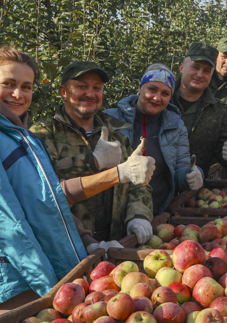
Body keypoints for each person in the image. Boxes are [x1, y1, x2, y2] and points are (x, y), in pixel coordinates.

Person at [0, 46, 155, 315]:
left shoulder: (17, 134)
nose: (18, 94)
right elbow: (2, 222)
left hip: (54, 265)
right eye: (8, 84)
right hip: (14, 275)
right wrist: (50, 284)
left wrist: (85, 242)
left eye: (26, 86)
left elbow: (47, 198)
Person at [32, 61, 155, 247]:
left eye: (96, 88)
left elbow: (137, 183)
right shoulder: (43, 133)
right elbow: (45, 186)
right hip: (67, 245)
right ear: (63, 91)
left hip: (116, 242)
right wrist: (93, 162)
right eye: (82, 87)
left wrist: (139, 216)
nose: (90, 94)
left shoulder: (115, 134)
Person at [106, 64, 203, 216]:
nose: (157, 98)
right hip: (112, 212)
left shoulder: (176, 127)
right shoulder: (110, 119)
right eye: (152, 89)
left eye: (165, 93)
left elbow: (180, 169)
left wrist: (191, 175)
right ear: (140, 88)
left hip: (155, 211)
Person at [175, 42, 227, 172]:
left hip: (194, 187)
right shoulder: (161, 100)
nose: (200, 74)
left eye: (206, 70)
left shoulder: (219, 112)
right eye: (195, 67)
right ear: (181, 67)